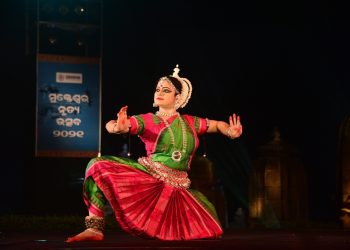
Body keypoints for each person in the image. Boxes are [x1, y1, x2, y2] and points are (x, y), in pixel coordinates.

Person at [66, 65, 243, 242]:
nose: (159, 93)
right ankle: (94, 228)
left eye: (166, 90)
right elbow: (119, 124)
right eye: (158, 89)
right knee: (97, 165)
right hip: (150, 179)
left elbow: (217, 124)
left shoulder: (190, 122)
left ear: (178, 97)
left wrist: (229, 131)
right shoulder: (148, 120)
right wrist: (116, 127)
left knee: (209, 227)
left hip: (179, 187)